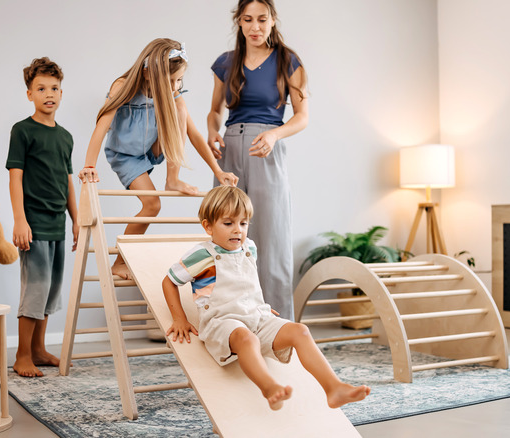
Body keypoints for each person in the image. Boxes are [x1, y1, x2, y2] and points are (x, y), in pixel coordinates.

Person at [163, 186, 369, 410]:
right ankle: (270, 388)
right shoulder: (202, 255)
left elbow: (245, 282)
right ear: (208, 226)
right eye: (228, 223)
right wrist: (179, 318)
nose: (238, 230)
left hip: (256, 316)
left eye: (243, 223)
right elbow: (169, 281)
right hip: (222, 322)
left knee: (300, 331)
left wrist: (257, 306)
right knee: (248, 340)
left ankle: (334, 388)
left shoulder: (249, 247)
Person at [79, 38, 238, 279]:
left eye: (179, 80)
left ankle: (172, 179)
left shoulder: (174, 93)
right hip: (126, 156)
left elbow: (193, 134)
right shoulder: (123, 86)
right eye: (170, 81)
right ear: (147, 74)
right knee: (152, 205)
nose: (175, 86)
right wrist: (89, 166)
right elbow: (102, 125)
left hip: (153, 148)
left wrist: (218, 171)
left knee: (181, 108)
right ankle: (118, 262)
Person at [207, 0, 308, 320]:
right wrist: (212, 133)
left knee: (271, 237)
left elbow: (302, 116)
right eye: (248, 20)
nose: (255, 27)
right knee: (225, 233)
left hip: (266, 147)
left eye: (262, 20)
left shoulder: (288, 61)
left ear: (273, 20)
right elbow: (214, 112)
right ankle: (228, 319)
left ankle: (279, 326)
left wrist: (275, 135)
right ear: (238, 22)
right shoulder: (226, 63)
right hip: (230, 149)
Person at [6, 57, 78, 377]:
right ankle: (22, 354)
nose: (49, 93)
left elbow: (67, 182)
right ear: (29, 94)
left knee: (51, 289)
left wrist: (77, 220)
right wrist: (20, 220)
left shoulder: (65, 137)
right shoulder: (22, 131)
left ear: (61, 93)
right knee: (35, 288)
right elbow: (15, 178)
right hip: (33, 223)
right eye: (41, 88)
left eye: (54, 88)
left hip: (58, 224)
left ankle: (38, 349)